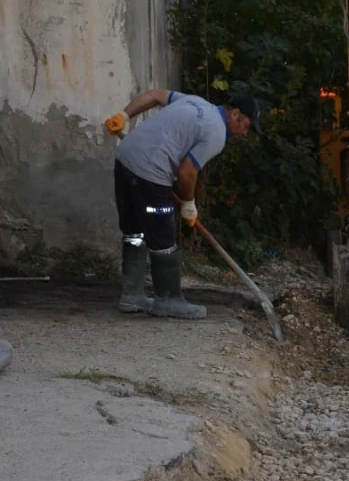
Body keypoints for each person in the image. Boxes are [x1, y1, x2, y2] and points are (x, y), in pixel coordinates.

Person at [103, 90, 261, 318]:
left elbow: (155, 95)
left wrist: (124, 115)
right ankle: (168, 299)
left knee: (134, 231)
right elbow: (187, 172)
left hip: (125, 160)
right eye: (246, 126)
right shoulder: (216, 132)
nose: (245, 133)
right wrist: (188, 204)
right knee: (163, 233)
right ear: (235, 114)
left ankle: (132, 295)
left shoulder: (195, 101)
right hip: (150, 174)